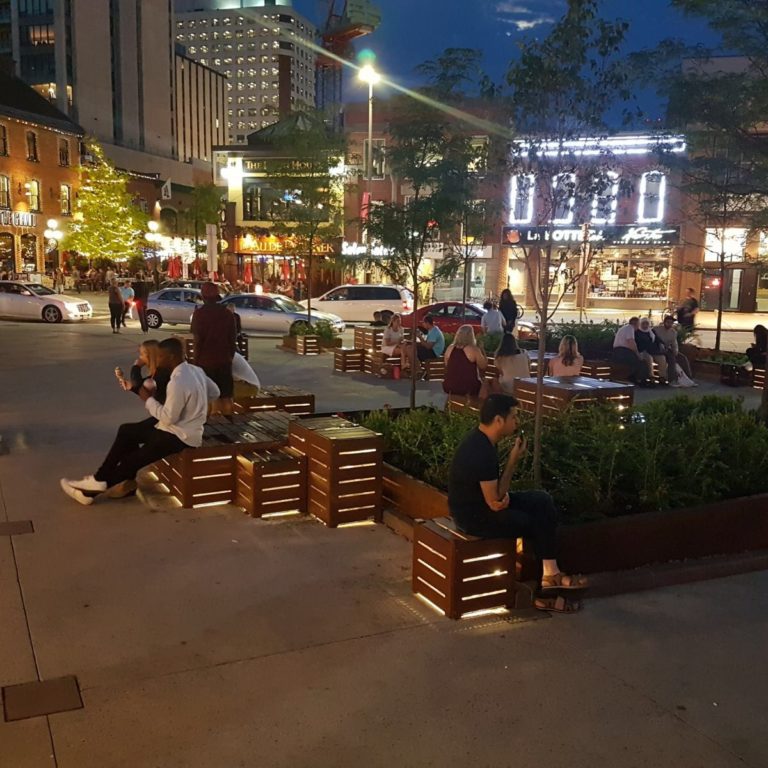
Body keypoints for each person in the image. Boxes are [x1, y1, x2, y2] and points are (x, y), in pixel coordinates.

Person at [448, 394, 587, 612]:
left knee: (542, 501)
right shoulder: (481, 451)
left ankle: (550, 573)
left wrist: (512, 462)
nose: (517, 422)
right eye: (514, 417)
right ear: (499, 420)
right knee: (533, 522)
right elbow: (495, 501)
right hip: (473, 518)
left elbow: (498, 496)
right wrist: (511, 466)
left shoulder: (482, 441)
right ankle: (545, 591)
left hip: (482, 506)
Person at [60, 338, 220, 505]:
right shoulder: (196, 371)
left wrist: (147, 399)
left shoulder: (178, 381)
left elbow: (167, 417)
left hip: (180, 436)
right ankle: (99, 482)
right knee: (127, 431)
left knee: (132, 459)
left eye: (160, 356)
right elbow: (215, 392)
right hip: (177, 428)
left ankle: (95, 487)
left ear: (171, 357)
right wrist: (195, 406)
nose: (156, 360)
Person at [191, 281, 237, 415]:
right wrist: (229, 357)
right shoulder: (228, 314)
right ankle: (229, 423)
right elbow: (232, 340)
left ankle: (216, 427)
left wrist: (195, 362)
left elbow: (197, 340)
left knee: (211, 397)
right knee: (226, 396)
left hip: (205, 362)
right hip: (224, 361)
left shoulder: (199, 315)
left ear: (203, 297)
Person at [443, 325, 487, 396]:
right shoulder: (474, 349)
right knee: (486, 384)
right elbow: (483, 366)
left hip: (449, 386)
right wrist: (482, 350)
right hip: (468, 387)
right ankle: (479, 405)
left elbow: (447, 365)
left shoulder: (450, 348)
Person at [654, 315, 696, 388]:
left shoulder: (673, 332)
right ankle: (671, 380)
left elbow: (674, 343)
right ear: (664, 322)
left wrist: (675, 351)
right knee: (672, 359)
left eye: (671, 323)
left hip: (667, 349)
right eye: (668, 322)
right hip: (658, 349)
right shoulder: (656, 329)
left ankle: (689, 378)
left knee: (683, 358)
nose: (669, 324)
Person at [612, 317, 652, 384]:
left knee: (637, 360)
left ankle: (634, 378)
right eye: (639, 324)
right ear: (636, 324)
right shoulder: (630, 328)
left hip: (618, 352)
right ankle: (641, 380)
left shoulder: (624, 328)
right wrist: (637, 354)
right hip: (622, 352)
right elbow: (632, 343)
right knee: (642, 361)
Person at [635, 318, 667, 382]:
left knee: (662, 358)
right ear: (640, 324)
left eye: (647, 324)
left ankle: (662, 377)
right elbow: (638, 343)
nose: (645, 325)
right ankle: (651, 376)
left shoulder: (651, 331)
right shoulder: (637, 332)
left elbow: (658, 339)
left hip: (653, 351)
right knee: (649, 358)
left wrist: (661, 344)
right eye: (643, 324)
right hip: (643, 351)